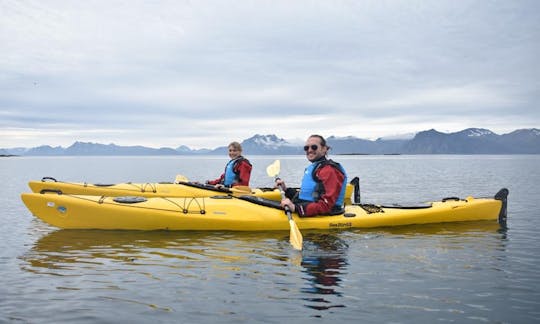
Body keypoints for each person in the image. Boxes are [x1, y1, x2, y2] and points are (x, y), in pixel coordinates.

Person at [276, 134, 347, 217]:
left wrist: (296, 208)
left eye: (314, 147)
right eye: (306, 148)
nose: (309, 150)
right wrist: (286, 190)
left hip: (326, 214)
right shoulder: (316, 167)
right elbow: (307, 197)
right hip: (310, 207)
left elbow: (327, 205)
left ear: (324, 149)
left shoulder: (330, 170)